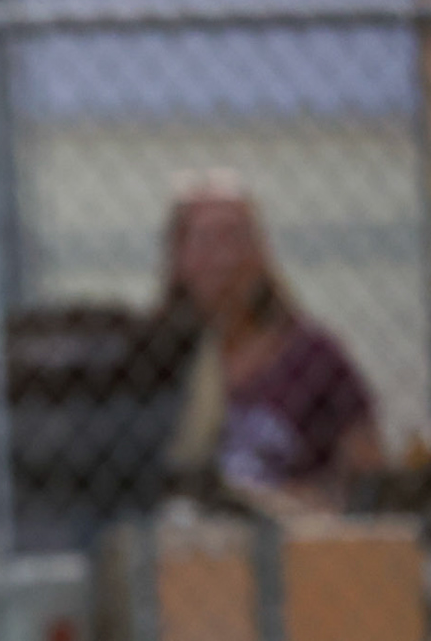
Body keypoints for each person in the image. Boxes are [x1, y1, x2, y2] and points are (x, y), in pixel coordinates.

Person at [157, 174, 383, 514]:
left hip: (291, 536)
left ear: (262, 254)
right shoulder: (157, 362)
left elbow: (368, 474)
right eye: (205, 240)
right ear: (178, 258)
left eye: (237, 238)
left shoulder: (314, 358)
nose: (224, 260)